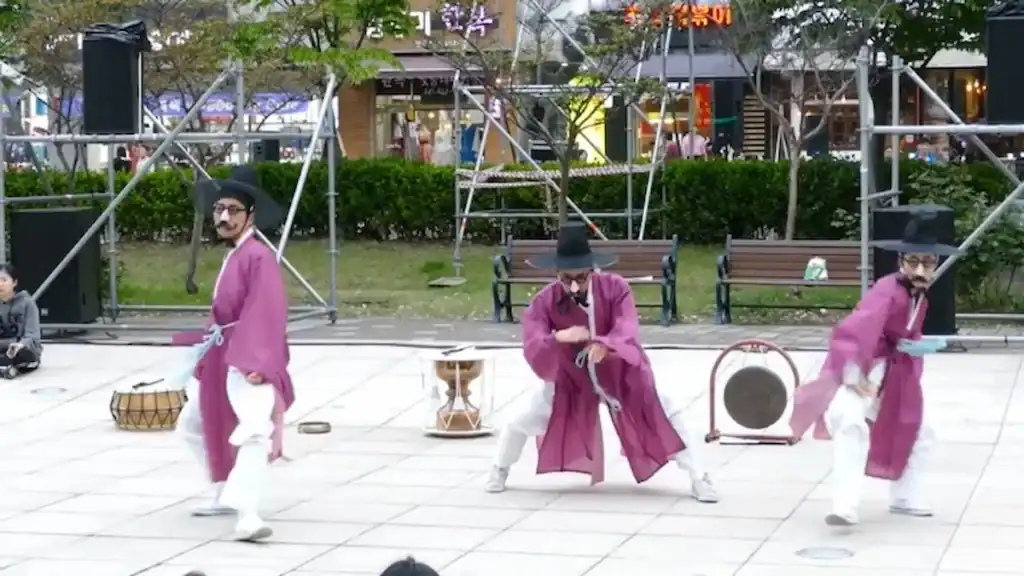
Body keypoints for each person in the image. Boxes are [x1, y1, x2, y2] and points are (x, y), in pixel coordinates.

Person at [485, 222, 718, 502]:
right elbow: (533, 338)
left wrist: (606, 345)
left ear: (593, 271)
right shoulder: (546, 300)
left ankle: (699, 477)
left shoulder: (615, 288)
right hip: (572, 379)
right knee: (521, 418)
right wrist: (559, 337)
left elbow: (627, 326)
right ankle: (499, 468)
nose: (573, 285)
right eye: (566, 278)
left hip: (621, 375)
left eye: (580, 278)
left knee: (670, 413)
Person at [789, 207, 957, 526]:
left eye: (928, 262)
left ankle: (904, 497)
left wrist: (915, 345)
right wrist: (853, 374)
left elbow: (905, 333)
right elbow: (853, 330)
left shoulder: (921, 296)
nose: (921, 269)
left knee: (922, 428)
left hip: (894, 373)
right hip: (862, 369)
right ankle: (844, 505)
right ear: (901, 262)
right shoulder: (886, 290)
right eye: (914, 262)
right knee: (849, 422)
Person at [173, 167, 294, 542]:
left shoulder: (258, 257)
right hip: (224, 352)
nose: (224, 217)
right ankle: (225, 490)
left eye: (233, 210)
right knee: (192, 424)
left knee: (255, 430)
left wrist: (258, 362)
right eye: (219, 209)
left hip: (248, 356)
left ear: (250, 216)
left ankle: (248, 514)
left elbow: (267, 309)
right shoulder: (236, 255)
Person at [0, 264, 41, 379]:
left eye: (4, 280)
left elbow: (32, 335)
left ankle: (9, 367)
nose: (0, 284)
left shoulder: (27, 303)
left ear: (14, 282)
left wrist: (20, 345)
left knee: (22, 355)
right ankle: (7, 368)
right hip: (2, 347)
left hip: (21, 348)